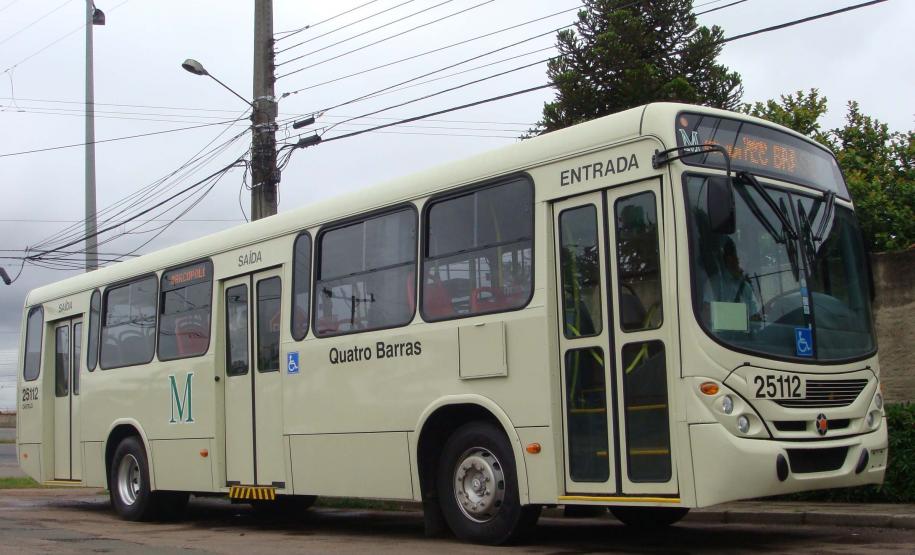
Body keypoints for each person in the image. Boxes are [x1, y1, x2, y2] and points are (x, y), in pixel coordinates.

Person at [706, 238, 758, 319]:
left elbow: (755, 317)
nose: (744, 268)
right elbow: (706, 315)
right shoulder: (714, 283)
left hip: (746, 331)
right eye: (741, 261)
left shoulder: (746, 287)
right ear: (730, 259)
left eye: (746, 262)